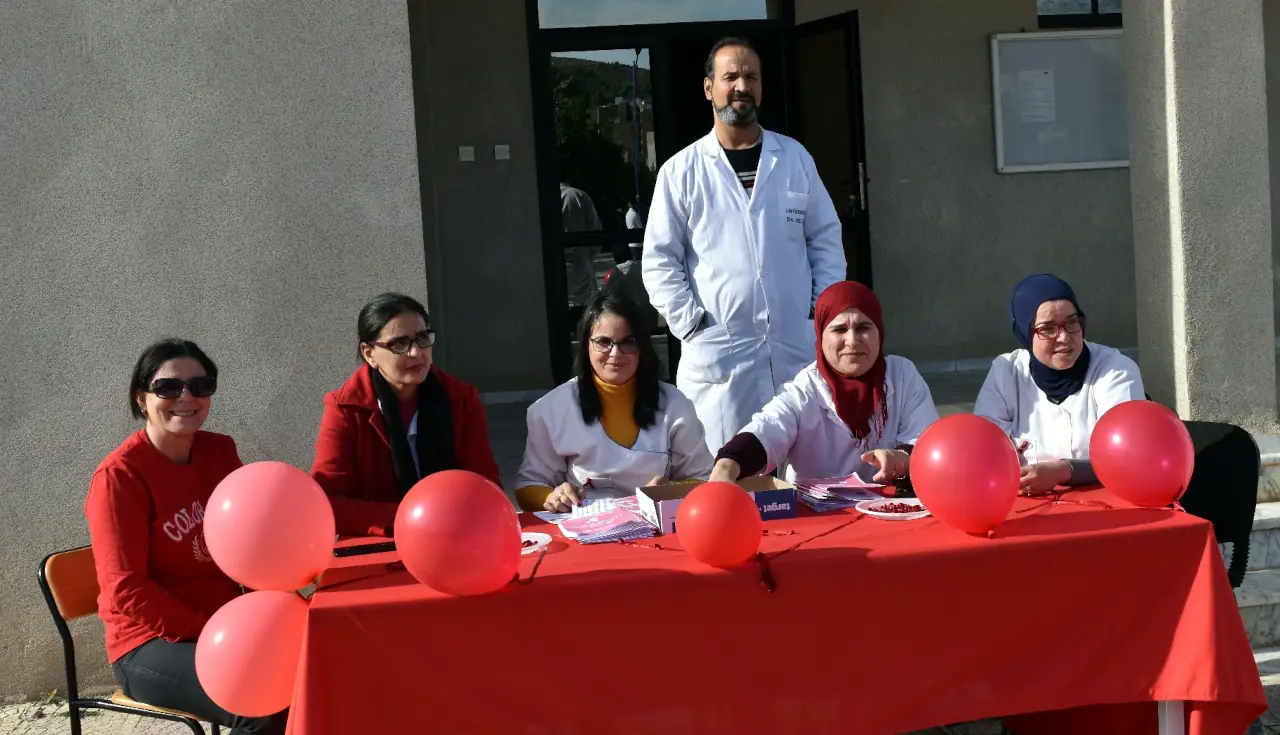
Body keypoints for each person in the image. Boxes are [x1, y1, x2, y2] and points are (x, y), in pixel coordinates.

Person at [642, 35, 845, 454]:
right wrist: (694, 325)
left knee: (804, 466)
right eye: (730, 76)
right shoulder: (681, 172)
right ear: (708, 88)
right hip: (721, 356)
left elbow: (825, 238)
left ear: (761, 87)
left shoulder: (794, 160)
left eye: (751, 77)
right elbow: (660, 261)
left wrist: (816, 308)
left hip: (793, 344)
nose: (741, 85)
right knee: (727, 470)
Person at [85, 339, 287, 734]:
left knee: (315, 672)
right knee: (262, 703)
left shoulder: (220, 452)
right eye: (168, 388)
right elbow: (126, 589)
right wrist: (211, 629)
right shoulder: (120, 477)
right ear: (142, 398)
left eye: (200, 386)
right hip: (148, 644)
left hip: (225, 627)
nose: (186, 397)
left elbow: (251, 537)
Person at [709, 282, 939, 485]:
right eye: (839, 329)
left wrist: (903, 459)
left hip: (889, 512)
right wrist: (727, 465)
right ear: (820, 336)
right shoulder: (806, 389)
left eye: (863, 327)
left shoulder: (901, 375)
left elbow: (926, 442)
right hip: (818, 519)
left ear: (880, 331)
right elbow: (768, 430)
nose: (852, 340)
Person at [311, 293, 502, 536]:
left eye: (422, 339)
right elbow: (328, 502)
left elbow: (487, 487)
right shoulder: (345, 408)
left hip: (454, 536)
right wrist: (413, 518)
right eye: (399, 344)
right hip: (382, 544)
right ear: (369, 354)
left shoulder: (460, 398)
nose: (416, 353)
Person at [515, 292, 713, 512]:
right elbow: (528, 486)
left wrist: (670, 490)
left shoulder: (675, 405)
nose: (616, 353)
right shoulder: (550, 409)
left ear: (643, 348)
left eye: (628, 342)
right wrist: (551, 496)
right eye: (603, 342)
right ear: (585, 346)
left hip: (659, 532)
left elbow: (704, 479)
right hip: (584, 533)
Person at [974, 273, 1145, 496]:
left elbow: (1128, 456)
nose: (1064, 337)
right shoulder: (1007, 372)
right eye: (1048, 329)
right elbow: (983, 451)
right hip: (1025, 509)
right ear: (1025, 333)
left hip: (1108, 502)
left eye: (1072, 323)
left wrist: (1064, 471)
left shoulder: (1115, 370)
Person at [562, 181, 604, 325]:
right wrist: (589, 257)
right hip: (580, 268)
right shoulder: (578, 195)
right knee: (582, 319)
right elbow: (596, 233)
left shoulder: (537, 196)